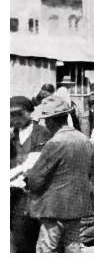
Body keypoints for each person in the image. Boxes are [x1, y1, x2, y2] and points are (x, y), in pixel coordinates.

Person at [24, 96, 94, 252]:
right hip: (77, 205)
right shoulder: (84, 139)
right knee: (72, 246)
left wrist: (28, 175)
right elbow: (92, 170)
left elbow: (36, 179)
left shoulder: (55, 143)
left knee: (47, 248)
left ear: (50, 121)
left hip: (54, 208)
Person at [10, 96, 51, 253]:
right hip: (13, 194)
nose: (15, 119)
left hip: (33, 193)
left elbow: (42, 164)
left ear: (30, 112)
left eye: (19, 114)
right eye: (11, 115)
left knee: (28, 237)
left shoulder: (42, 133)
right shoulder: (10, 135)